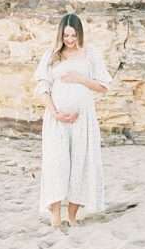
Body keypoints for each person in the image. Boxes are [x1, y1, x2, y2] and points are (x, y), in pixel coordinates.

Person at [33, 13, 112, 228]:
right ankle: (56, 216)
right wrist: (55, 112)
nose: (69, 39)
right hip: (56, 120)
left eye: (73, 35)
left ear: (80, 34)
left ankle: (73, 216)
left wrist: (80, 79)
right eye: (66, 35)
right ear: (60, 35)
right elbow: (42, 88)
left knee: (80, 163)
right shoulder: (51, 56)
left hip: (83, 119)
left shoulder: (90, 54)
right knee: (57, 164)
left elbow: (104, 86)